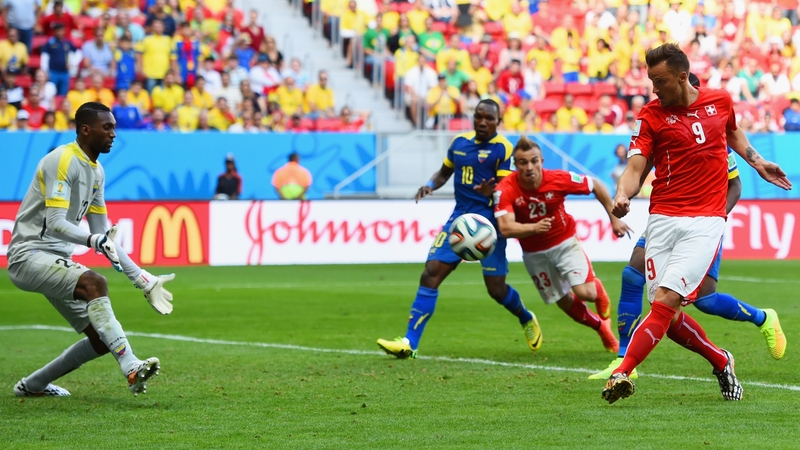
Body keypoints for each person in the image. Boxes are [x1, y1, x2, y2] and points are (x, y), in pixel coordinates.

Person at [601, 44, 792, 404]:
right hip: (662, 219)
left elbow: (733, 132)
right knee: (668, 315)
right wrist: (623, 194)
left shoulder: (719, 100)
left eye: (660, 81)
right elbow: (636, 166)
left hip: (705, 220)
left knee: (668, 300)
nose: (654, 89)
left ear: (682, 76)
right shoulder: (650, 115)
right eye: (651, 81)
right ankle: (721, 360)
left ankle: (621, 372)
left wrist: (757, 161)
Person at [7, 102, 175, 398]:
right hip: (28, 255)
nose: (113, 134)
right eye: (107, 127)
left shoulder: (96, 173)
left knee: (100, 339)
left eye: (113, 127)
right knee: (95, 283)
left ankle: (33, 385)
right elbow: (57, 223)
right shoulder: (62, 160)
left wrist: (143, 280)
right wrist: (92, 240)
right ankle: (131, 366)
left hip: (56, 259)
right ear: (86, 130)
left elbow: (104, 236)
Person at [376, 99, 541, 359]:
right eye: (478, 117)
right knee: (431, 273)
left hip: (490, 224)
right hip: (460, 221)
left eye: (489, 118)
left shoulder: (503, 148)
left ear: (498, 122)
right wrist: (430, 184)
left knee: (496, 290)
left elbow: (507, 190)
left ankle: (525, 316)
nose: (483, 122)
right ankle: (410, 341)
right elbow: (444, 172)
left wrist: (491, 192)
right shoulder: (459, 143)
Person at [494, 137, 627, 353]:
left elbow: (595, 185)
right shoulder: (505, 189)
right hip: (534, 254)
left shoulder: (557, 179)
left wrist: (614, 218)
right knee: (563, 302)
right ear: (515, 165)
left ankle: (599, 293)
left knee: (586, 293)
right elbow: (505, 228)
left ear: (541, 161)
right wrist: (534, 228)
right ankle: (601, 328)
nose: (529, 167)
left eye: (534, 161)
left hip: (565, 243)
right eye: (523, 162)